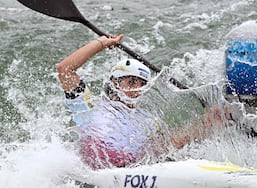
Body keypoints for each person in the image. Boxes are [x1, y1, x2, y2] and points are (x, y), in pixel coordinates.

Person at [57, 34, 223, 169]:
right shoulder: (90, 107)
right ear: (115, 83)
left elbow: (168, 145)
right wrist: (102, 42)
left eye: (142, 84)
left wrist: (209, 121)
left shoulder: (146, 120)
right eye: (131, 82)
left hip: (129, 182)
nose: (137, 89)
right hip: (89, 183)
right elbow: (65, 69)